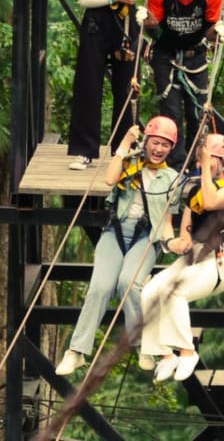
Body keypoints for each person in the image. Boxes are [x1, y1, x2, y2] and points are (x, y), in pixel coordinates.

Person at [55, 116, 181, 376]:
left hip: (147, 236)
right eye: (155, 143)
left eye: (165, 146)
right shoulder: (129, 162)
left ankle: (143, 344)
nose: (159, 149)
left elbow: (167, 221)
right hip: (115, 230)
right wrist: (124, 144)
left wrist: (171, 242)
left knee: (128, 283)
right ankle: (76, 351)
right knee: (100, 287)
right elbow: (109, 180)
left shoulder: (172, 178)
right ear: (146, 141)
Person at [140, 133, 224, 382]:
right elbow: (187, 226)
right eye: (200, 162)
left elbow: (211, 201)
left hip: (219, 260)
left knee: (175, 291)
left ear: (222, 161)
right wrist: (180, 241)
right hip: (195, 256)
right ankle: (165, 354)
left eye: (206, 161)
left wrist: (209, 163)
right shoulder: (196, 191)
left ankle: (187, 352)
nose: (200, 166)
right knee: (150, 290)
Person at [67, 0, 149, 170]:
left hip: (125, 20)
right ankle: (84, 151)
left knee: (127, 85)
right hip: (96, 22)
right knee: (89, 86)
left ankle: (123, 148)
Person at [136, 0, 224, 170]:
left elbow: (209, 29)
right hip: (166, 53)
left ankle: (196, 161)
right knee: (171, 112)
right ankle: (175, 165)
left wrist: (216, 33)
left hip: (195, 53)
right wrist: (146, 22)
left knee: (197, 111)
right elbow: (154, 28)